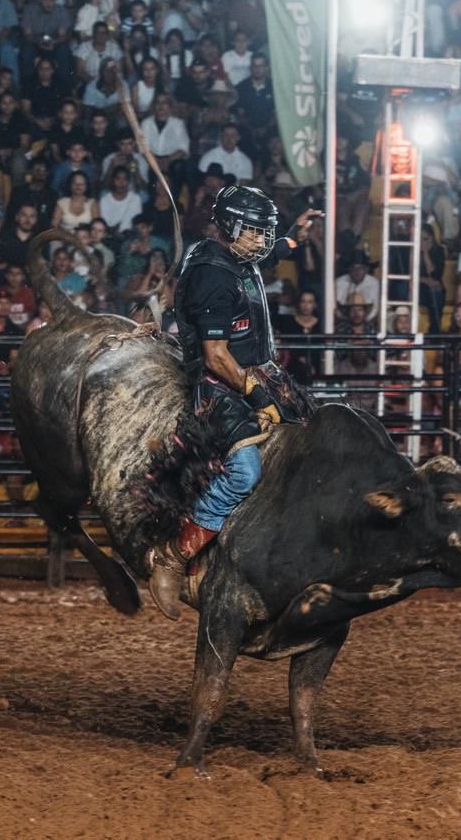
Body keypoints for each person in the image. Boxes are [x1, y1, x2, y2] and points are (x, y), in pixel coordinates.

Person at [145, 186, 322, 620]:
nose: (263, 240)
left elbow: (265, 256)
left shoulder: (233, 255)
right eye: (256, 232)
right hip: (218, 385)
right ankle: (172, 556)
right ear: (229, 229)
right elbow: (215, 356)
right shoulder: (212, 276)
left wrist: (294, 237)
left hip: (256, 370)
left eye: (266, 233)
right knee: (244, 472)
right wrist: (260, 396)